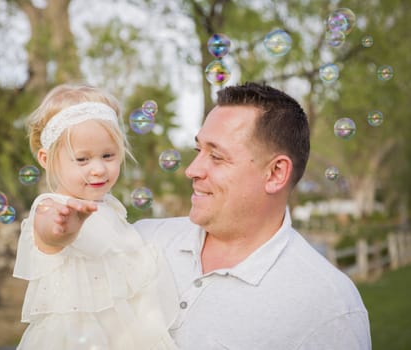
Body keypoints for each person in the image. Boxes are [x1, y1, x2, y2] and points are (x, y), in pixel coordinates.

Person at [56, 82, 372, 349]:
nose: (192, 170)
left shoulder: (329, 308)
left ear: (275, 173)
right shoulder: (141, 239)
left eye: (216, 156)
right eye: (198, 151)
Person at [13, 84, 179, 350]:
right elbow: (46, 238)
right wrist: (62, 230)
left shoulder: (109, 206)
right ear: (46, 159)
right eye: (82, 159)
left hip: (122, 330)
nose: (99, 169)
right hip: (75, 335)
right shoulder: (52, 207)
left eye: (108, 155)